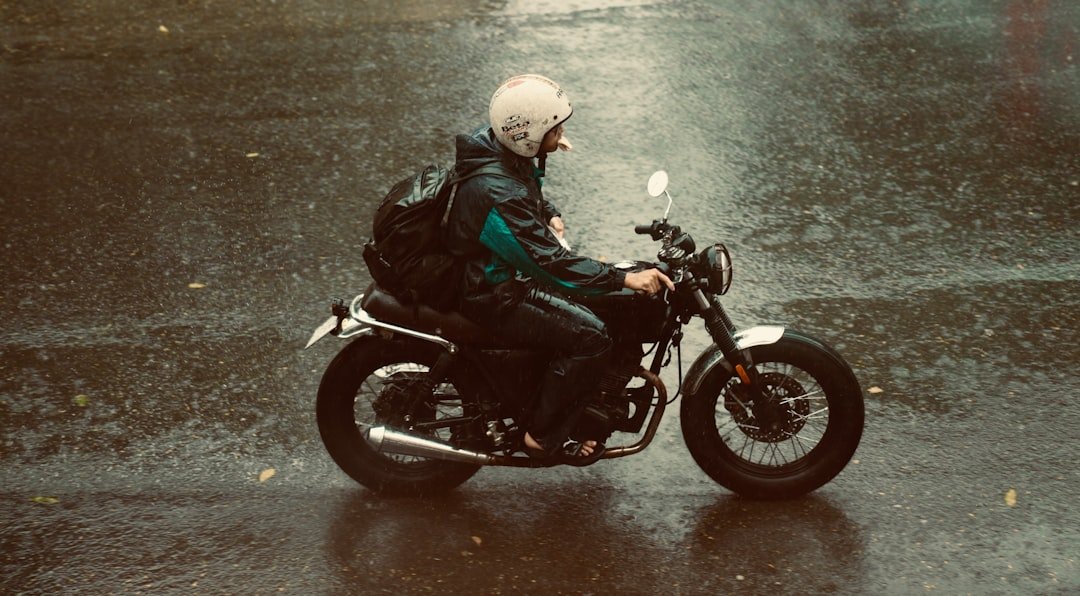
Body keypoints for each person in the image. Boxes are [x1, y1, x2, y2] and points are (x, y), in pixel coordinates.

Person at [445, 74, 673, 465]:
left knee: (598, 310)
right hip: (493, 292)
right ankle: (542, 435)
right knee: (592, 337)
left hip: (497, 275)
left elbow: (521, 190)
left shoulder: (499, 149)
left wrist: (547, 211)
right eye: (553, 128)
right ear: (527, 137)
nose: (561, 132)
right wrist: (623, 277)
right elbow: (550, 262)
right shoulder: (497, 191)